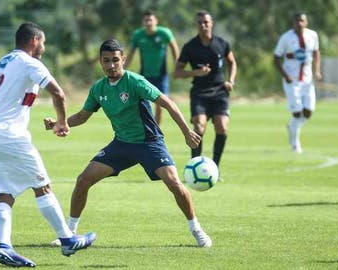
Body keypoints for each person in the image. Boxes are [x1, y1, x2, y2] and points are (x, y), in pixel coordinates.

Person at [45, 39, 212, 248]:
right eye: (106, 61)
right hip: (121, 145)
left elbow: (168, 103)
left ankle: (196, 229)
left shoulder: (135, 81)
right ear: (101, 62)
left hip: (149, 143)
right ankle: (70, 233)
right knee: (83, 180)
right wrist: (60, 123)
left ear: (123, 60)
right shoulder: (98, 89)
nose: (111, 65)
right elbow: (82, 117)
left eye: (116, 60)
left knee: (175, 185)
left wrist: (186, 132)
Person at [0, 22, 96, 267]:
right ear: (34, 41)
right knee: (42, 186)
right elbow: (58, 93)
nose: (43, 47)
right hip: (11, 136)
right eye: (43, 42)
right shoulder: (30, 63)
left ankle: (5, 247)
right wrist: (62, 123)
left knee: (4, 193)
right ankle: (67, 240)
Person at [174, 10, 237, 176]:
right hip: (200, 92)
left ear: (212, 23)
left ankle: (214, 168)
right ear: (196, 25)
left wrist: (231, 80)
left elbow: (232, 62)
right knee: (199, 127)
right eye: (200, 22)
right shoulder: (190, 47)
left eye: (206, 22)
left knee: (222, 127)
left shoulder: (222, 43)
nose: (203, 25)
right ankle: (194, 166)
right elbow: (177, 72)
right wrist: (196, 73)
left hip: (219, 91)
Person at [274, 13, 321, 153]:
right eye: (297, 21)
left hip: (307, 80)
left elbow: (316, 53)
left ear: (306, 22)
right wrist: (285, 75)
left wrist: (317, 71)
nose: (299, 23)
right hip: (292, 81)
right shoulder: (286, 38)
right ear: (293, 23)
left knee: (308, 112)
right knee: (297, 112)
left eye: (302, 20)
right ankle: (295, 144)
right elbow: (276, 58)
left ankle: (292, 127)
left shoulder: (313, 35)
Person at [125, 10, 180, 125]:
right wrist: (123, 69)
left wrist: (177, 66)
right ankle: (144, 130)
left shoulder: (164, 33)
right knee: (143, 105)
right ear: (143, 22)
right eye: (146, 20)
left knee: (160, 106)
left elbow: (174, 48)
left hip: (161, 76)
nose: (148, 22)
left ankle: (156, 133)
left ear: (156, 21)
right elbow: (130, 54)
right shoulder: (138, 35)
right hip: (144, 76)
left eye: (150, 20)